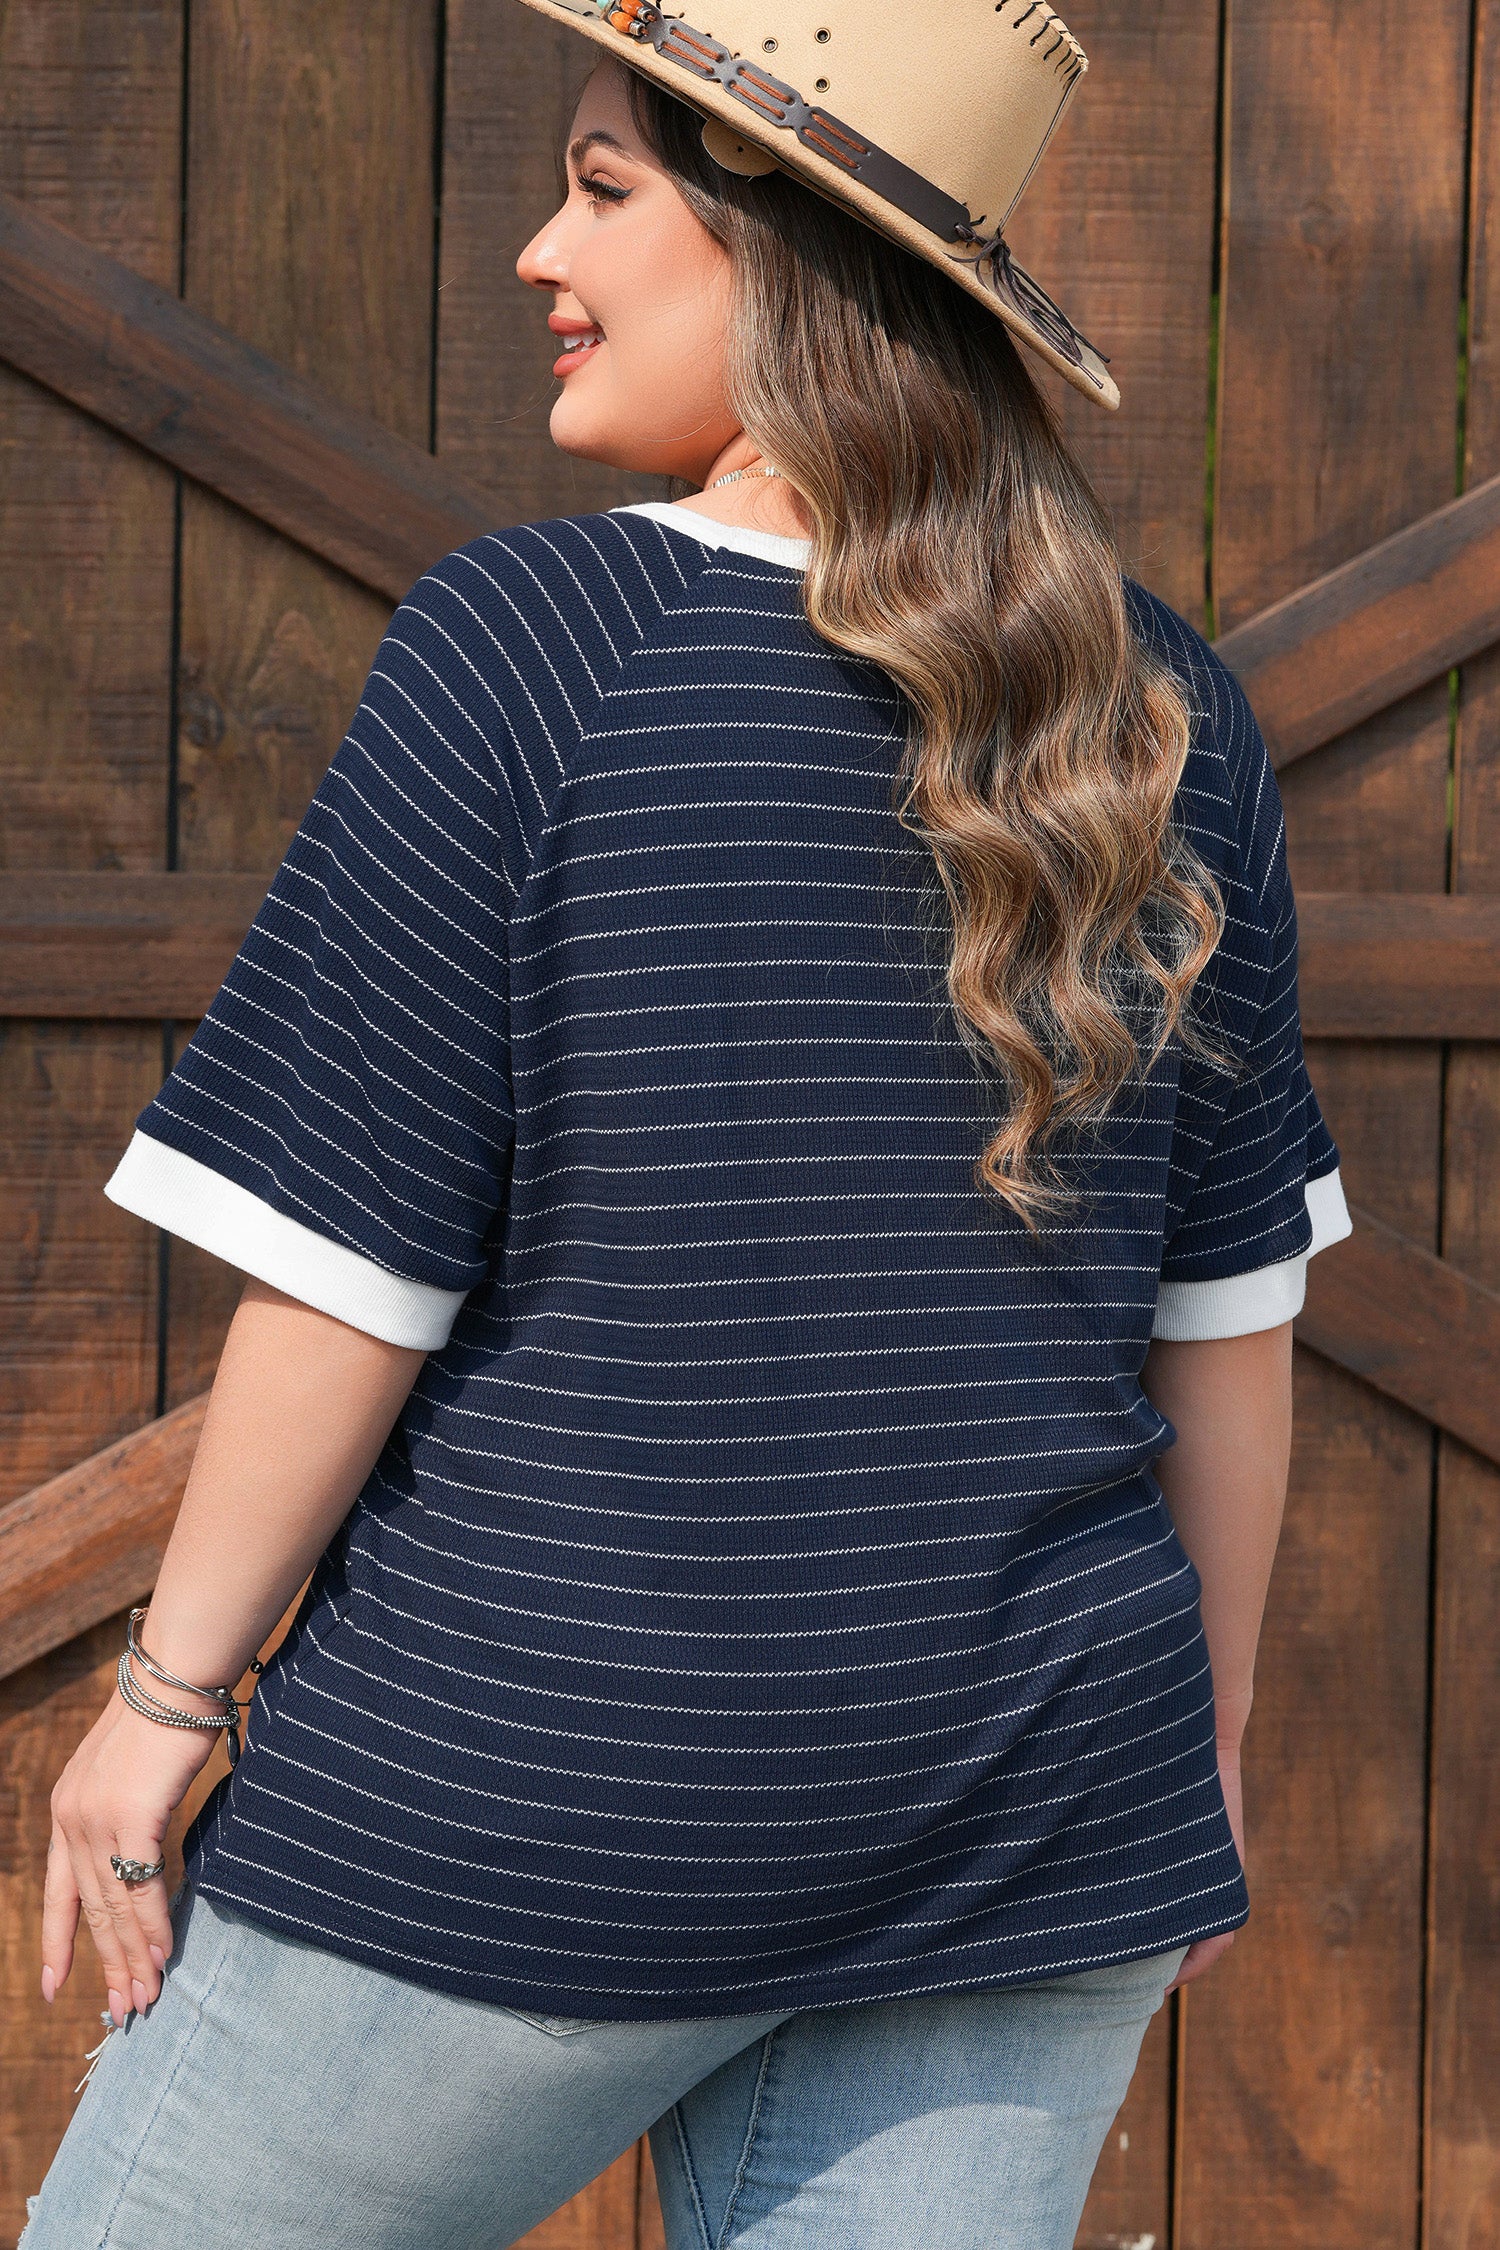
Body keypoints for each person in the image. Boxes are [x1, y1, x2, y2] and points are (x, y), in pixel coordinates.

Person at [24, 5, 1351, 2245]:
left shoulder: (533, 643)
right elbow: (1231, 1318)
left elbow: (353, 1276)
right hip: (1039, 1810)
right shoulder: (1163, 708)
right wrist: (1191, 1764)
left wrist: (161, 1701)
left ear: (794, 251)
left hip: (548, 1789)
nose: (540, 250)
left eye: (603, 188)